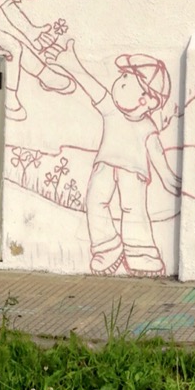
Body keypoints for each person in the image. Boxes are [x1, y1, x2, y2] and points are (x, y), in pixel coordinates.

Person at [60, 38, 177, 276]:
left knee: (133, 209)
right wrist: (70, 62)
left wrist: (168, 178)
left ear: (147, 99)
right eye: (122, 76)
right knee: (94, 202)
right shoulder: (112, 110)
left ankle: (142, 253)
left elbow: (156, 154)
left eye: (127, 79)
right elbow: (92, 87)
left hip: (133, 172)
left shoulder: (147, 127)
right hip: (104, 166)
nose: (119, 82)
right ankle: (106, 247)